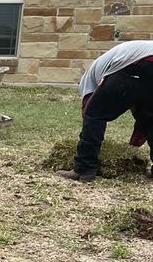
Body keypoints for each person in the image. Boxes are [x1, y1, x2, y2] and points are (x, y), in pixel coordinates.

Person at [57, 40, 153, 182]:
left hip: (134, 65)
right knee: (151, 120)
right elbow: (141, 109)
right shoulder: (105, 63)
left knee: (94, 116)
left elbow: (88, 108)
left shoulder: (87, 81)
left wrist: (89, 121)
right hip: (143, 62)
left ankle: (84, 169)